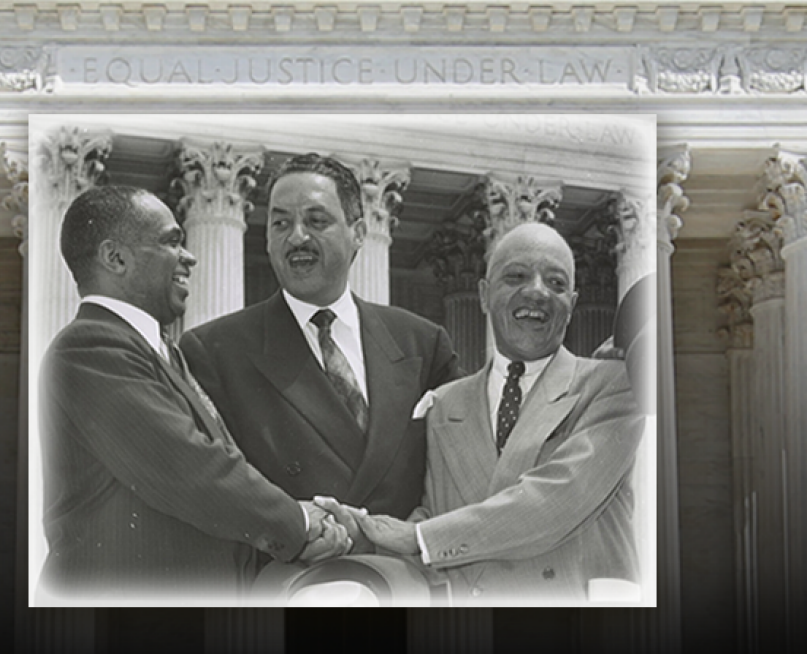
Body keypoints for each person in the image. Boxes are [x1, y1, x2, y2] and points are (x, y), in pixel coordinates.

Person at [37, 185, 348, 604]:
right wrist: (299, 524)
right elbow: (189, 468)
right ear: (116, 258)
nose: (191, 256)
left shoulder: (163, 354)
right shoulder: (90, 347)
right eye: (171, 241)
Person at [320, 222, 646, 605]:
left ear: (573, 304)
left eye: (556, 283)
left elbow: (557, 500)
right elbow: (436, 514)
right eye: (517, 276)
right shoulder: (443, 403)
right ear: (484, 295)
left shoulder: (615, 384)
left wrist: (419, 537)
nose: (537, 291)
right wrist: (366, 534)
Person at [183, 154, 461, 554]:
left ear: (359, 232)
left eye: (316, 221)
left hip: (402, 582)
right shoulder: (213, 351)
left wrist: (418, 531)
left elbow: (464, 463)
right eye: (281, 223)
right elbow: (213, 491)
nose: (296, 237)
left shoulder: (422, 342)